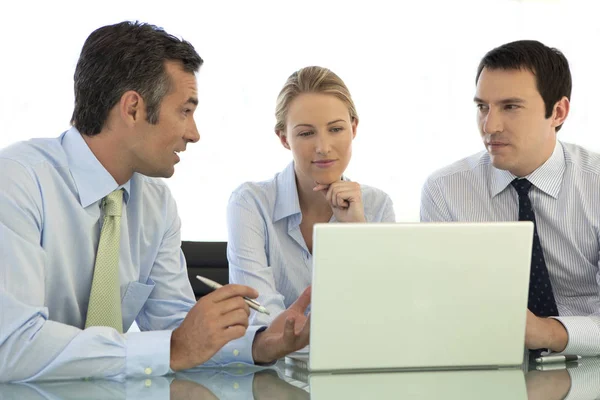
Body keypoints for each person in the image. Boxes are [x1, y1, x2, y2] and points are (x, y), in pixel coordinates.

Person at [0, 21, 310, 383]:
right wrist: (172, 347)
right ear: (132, 108)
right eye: (185, 110)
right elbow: (13, 345)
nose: (194, 133)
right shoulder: (16, 181)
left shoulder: (156, 204)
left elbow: (177, 327)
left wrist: (258, 344)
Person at [420, 39, 600, 355]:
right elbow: (439, 311)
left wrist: (549, 333)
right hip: (483, 365)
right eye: (482, 107)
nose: (490, 126)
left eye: (510, 107)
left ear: (558, 111)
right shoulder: (445, 190)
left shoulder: (594, 186)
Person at [227, 66, 395, 325]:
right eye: (306, 133)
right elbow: (261, 319)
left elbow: (386, 314)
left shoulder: (377, 206)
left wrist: (358, 231)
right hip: (275, 364)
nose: (323, 148)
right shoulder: (250, 204)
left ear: (354, 128)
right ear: (284, 138)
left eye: (336, 129)